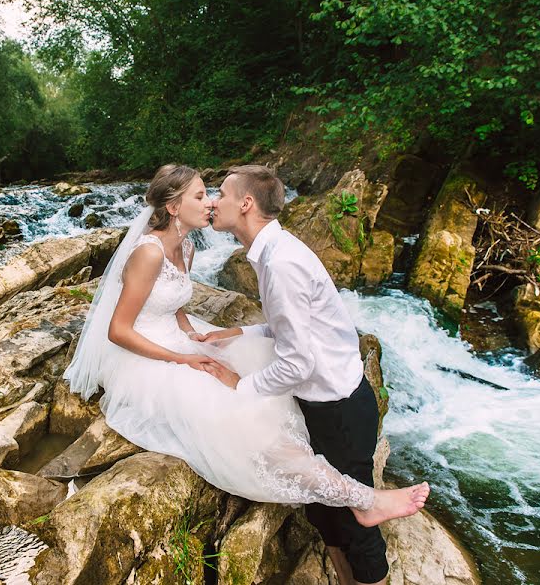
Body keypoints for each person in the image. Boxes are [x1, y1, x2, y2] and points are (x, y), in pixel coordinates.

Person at [63, 164, 428, 583]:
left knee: (248, 398)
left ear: (247, 204)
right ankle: (363, 500)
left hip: (339, 400)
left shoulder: (266, 260)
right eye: (201, 195)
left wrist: (237, 379)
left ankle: (364, 501)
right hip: (147, 355)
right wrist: (200, 343)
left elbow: (294, 359)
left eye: (214, 193)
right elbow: (124, 327)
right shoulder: (166, 252)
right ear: (173, 205)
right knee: (243, 416)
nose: (212, 202)